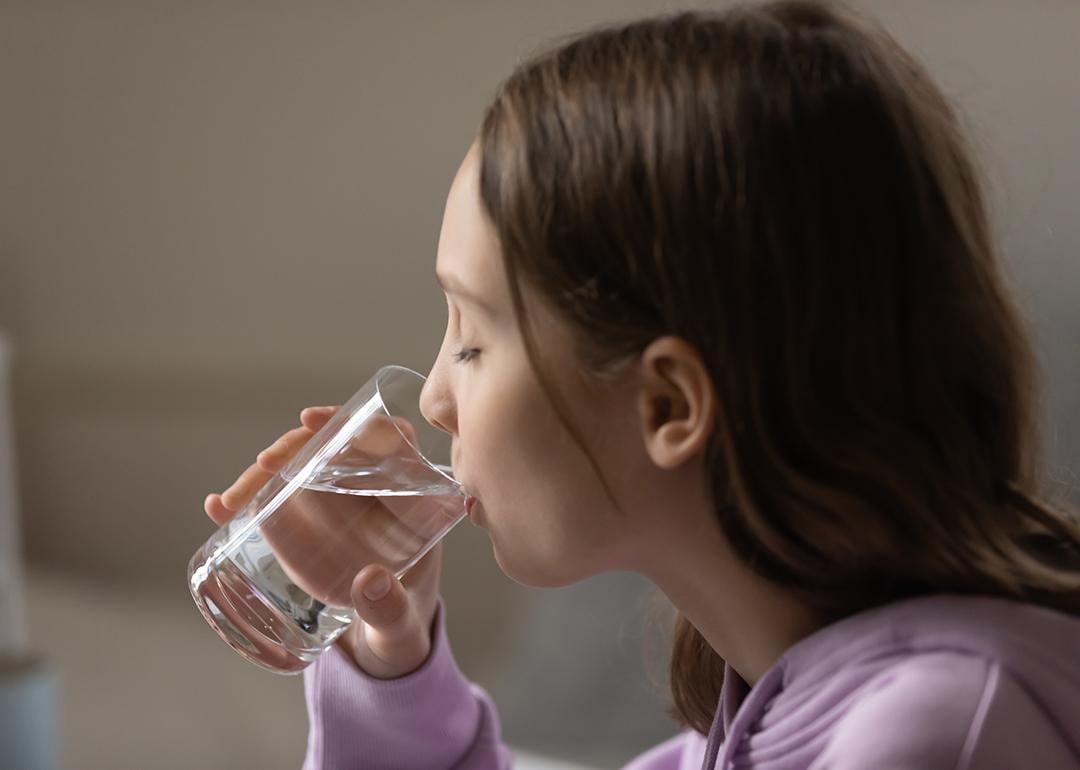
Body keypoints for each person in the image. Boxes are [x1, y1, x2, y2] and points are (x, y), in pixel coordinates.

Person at [203, 1, 1080, 768]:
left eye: (471, 340)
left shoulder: (934, 739)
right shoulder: (754, 723)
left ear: (669, 405)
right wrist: (389, 662)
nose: (434, 399)